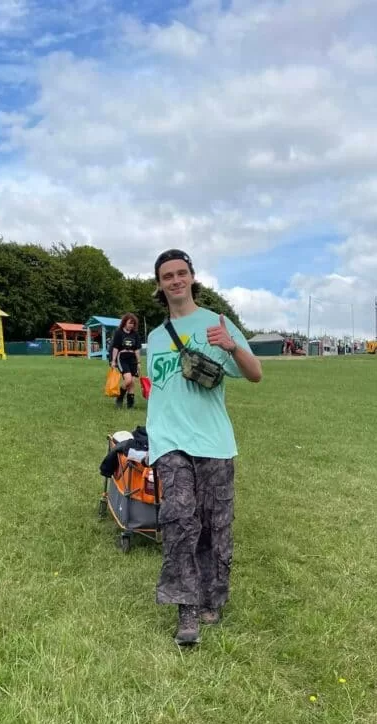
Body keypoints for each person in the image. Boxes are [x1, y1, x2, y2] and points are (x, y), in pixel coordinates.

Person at [146, 249, 262, 647]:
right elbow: (158, 392)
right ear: (160, 285)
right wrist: (154, 436)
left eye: (181, 273)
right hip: (169, 441)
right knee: (179, 523)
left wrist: (231, 346)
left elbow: (256, 374)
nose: (175, 281)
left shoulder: (218, 322)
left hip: (214, 441)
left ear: (192, 277)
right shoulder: (156, 337)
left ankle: (212, 598)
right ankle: (187, 610)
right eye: (167, 276)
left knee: (215, 526)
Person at [110, 313, 142, 409]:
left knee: (132, 382)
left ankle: (130, 404)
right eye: (130, 323)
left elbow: (137, 349)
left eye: (133, 323)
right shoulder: (119, 333)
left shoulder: (135, 334)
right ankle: (119, 398)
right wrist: (113, 361)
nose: (131, 325)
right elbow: (115, 348)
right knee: (128, 380)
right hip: (122, 358)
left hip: (132, 359)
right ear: (124, 323)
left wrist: (139, 362)